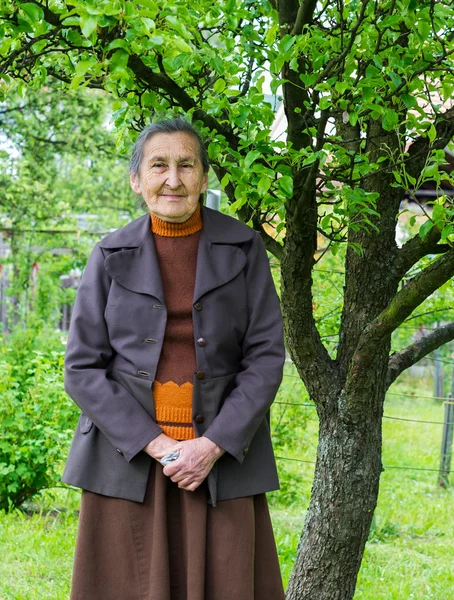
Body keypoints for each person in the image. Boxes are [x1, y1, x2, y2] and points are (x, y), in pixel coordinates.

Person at [61, 117, 287, 599]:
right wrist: (160, 446)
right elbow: (82, 367)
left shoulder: (244, 249)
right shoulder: (108, 254)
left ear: (204, 178)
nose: (173, 179)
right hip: (129, 460)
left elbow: (266, 358)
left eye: (187, 165)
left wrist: (210, 447)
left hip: (222, 460)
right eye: (158, 165)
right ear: (136, 180)